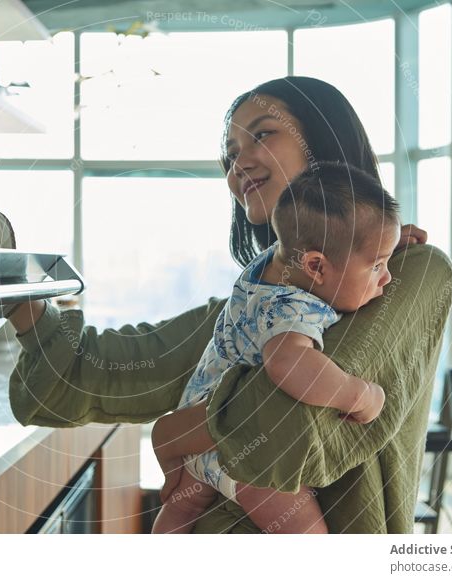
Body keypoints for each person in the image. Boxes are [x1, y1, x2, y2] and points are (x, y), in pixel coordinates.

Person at [0, 77, 452, 533]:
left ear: (326, 142)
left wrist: (178, 427)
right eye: (228, 153)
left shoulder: (412, 273)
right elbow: (89, 374)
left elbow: (284, 435)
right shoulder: (248, 314)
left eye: (263, 134)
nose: (237, 163)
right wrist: (4, 273)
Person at [151, 162, 399, 534]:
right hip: (240, 450)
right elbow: (287, 364)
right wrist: (359, 394)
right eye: (377, 265)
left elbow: (332, 242)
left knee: (179, 515)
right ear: (317, 266)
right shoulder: (295, 309)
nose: (388, 276)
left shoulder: (270, 263)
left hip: (194, 428)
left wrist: (371, 246)